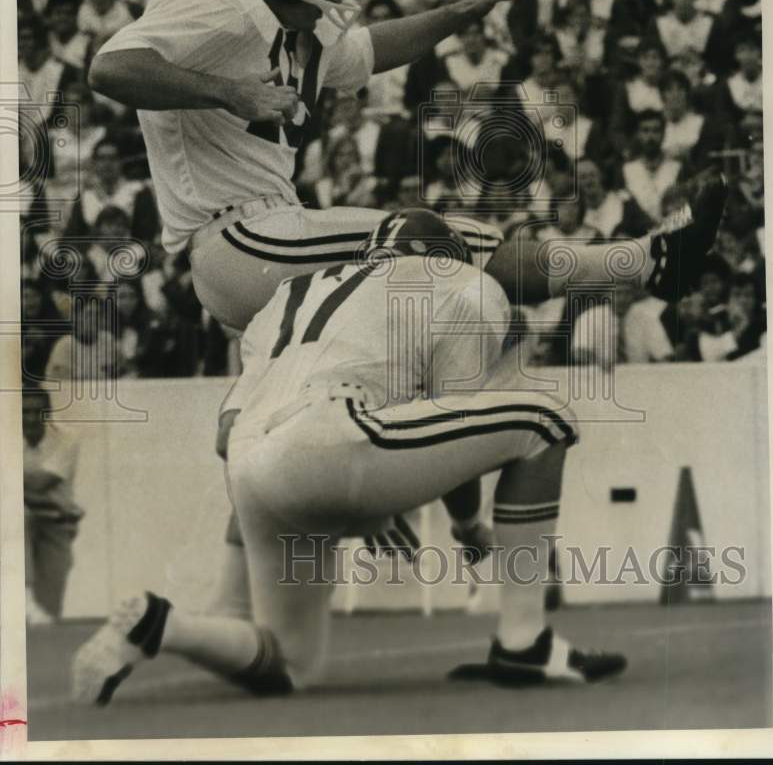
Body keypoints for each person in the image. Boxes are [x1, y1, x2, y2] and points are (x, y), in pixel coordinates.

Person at [73, 180, 727, 701]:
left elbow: (226, 434)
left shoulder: (288, 298)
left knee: (288, 662)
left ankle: (160, 623)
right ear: (443, 257)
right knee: (544, 423)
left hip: (252, 469)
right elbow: (455, 414)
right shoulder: (461, 284)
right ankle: (523, 641)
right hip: (337, 435)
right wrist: (467, 527)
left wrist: (366, 490)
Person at [87, 0, 525, 333]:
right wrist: (229, 92)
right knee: (421, 242)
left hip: (276, 230)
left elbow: (372, 50)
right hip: (238, 239)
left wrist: (463, 9)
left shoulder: (299, 32)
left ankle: (595, 268)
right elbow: (110, 69)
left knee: (476, 250)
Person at [23, 384, 84, 625]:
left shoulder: (67, 438)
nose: (28, 418)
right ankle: (24, 592)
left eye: (35, 411)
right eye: (22, 411)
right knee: (17, 515)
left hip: (57, 522)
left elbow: (40, 483)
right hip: (26, 518)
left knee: (48, 613)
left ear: (47, 413)